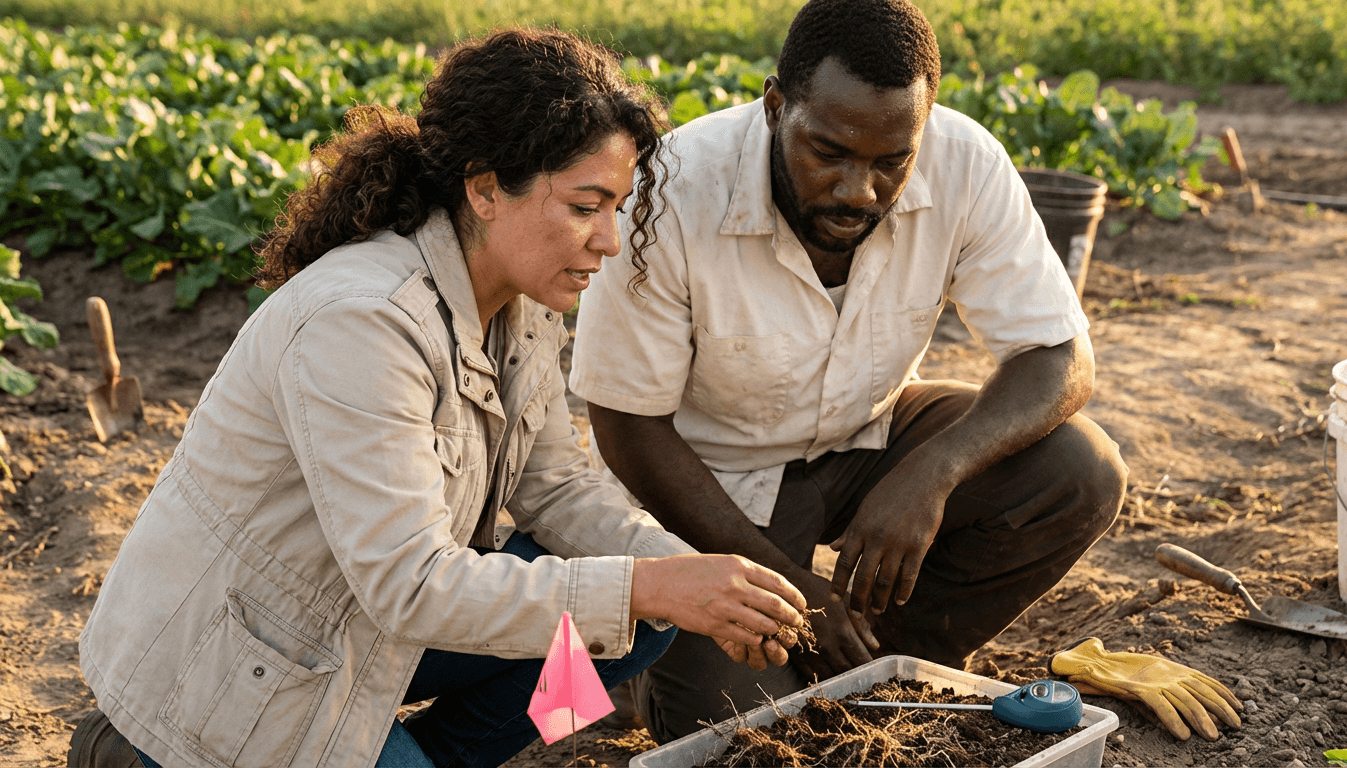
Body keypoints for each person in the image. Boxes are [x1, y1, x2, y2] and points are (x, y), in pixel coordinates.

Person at [70, 28, 808, 768]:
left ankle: (450, 756)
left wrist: (686, 575)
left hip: (353, 628)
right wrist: (648, 583)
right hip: (225, 682)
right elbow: (411, 585)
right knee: (629, 596)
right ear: (485, 190)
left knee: (636, 624)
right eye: (587, 207)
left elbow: (555, 487)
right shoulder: (362, 322)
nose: (609, 242)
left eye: (617, 208)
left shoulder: (522, 305)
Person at [568, 0, 1130, 744]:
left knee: (1079, 469)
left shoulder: (964, 162)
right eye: (828, 153)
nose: (859, 189)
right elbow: (627, 427)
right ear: (776, 107)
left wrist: (932, 471)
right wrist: (793, 590)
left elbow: (1060, 357)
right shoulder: (671, 188)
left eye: (891, 162)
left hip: (868, 435)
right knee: (742, 729)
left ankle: (882, 667)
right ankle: (640, 667)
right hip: (711, 486)